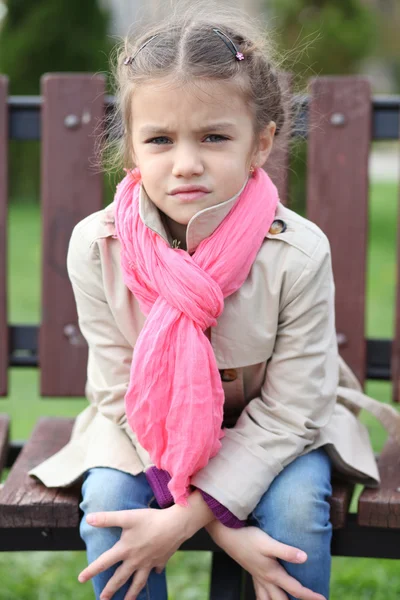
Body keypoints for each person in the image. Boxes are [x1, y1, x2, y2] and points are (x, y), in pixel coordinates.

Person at [28, 2, 397, 600]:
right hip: (146, 430)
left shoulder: (297, 253)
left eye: (215, 137)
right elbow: (120, 391)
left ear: (261, 143)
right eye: (160, 140)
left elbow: (295, 407)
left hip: (278, 428)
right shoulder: (99, 246)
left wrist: (190, 517)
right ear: (132, 151)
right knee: (109, 503)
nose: (186, 163)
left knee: (299, 510)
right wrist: (225, 527)